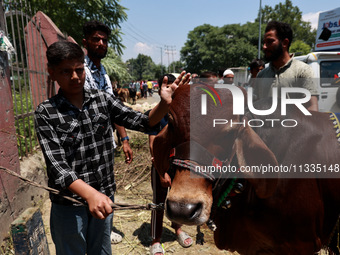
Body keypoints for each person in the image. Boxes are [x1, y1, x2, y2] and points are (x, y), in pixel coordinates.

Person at [34, 41, 190, 255]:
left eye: (79, 70)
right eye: (65, 71)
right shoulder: (46, 112)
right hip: (68, 204)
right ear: (51, 73)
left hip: (104, 197)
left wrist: (164, 104)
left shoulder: (102, 100)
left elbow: (144, 122)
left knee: (102, 251)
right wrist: (90, 195)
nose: (75, 77)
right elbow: (58, 167)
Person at [82, 20, 132, 243]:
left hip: (105, 144)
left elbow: (113, 108)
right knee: (87, 188)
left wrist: (125, 138)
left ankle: (104, 229)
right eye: (96, 39)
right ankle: (90, 232)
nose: (101, 43)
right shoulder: (80, 71)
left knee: (107, 185)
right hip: (85, 144)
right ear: (86, 42)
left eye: (104, 40)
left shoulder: (102, 72)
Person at [148, 74, 193, 255]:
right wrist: (161, 172)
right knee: (159, 203)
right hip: (161, 164)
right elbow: (153, 144)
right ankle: (156, 239)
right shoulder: (156, 114)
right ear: (160, 89)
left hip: (179, 166)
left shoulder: (185, 113)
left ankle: (178, 230)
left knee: (180, 199)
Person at [255, 21, 319, 111]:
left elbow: (312, 109)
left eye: (269, 42)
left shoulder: (303, 71)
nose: (264, 47)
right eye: (264, 42)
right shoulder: (261, 76)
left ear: (284, 43)